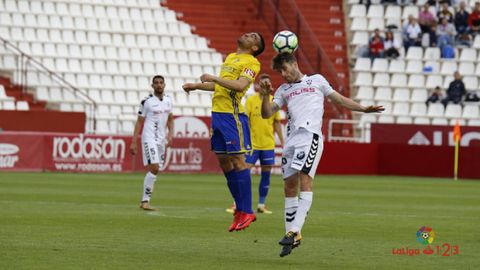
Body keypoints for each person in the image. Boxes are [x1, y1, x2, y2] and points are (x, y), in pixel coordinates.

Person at [259, 53, 384, 257]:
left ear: (294, 63)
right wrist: (265, 95)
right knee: (289, 186)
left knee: (305, 180)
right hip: (291, 141)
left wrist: (363, 109)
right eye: (279, 72)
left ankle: (293, 231)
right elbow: (266, 113)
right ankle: (290, 235)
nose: (283, 74)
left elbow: (340, 100)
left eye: (284, 69)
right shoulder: (283, 90)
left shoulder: (316, 80)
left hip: (310, 137)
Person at [182, 32, 265, 232]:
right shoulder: (230, 57)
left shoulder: (252, 62)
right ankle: (239, 209)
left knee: (238, 161)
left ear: (255, 48)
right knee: (223, 161)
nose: (248, 34)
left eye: (254, 36)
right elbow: (220, 87)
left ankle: (248, 211)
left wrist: (214, 77)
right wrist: (197, 86)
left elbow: (239, 86)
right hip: (217, 114)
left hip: (232, 115)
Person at [226, 73, 285, 215]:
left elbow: (277, 123)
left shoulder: (273, 101)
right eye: (263, 83)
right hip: (252, 145)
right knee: (244, 171)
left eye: (268, 83)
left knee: (266, 174)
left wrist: (283, 142)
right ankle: (237, 203)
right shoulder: (251, 100)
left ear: (270, 86)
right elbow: (244, 121)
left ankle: (261, 204)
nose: (265, 85)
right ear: (259, 85)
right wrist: (244, 140)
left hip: (268, 144)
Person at [130, 75, 174, 211]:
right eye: (156, 83)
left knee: (155, 170)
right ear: (152, 85)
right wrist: (134, 142)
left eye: (161, 83)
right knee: (154, 167)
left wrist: (170, 134)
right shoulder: (146, 102)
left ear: (164, 85)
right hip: (149, 138)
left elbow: (170, 119)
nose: (159, 85)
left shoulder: (168, 100)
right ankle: (144, 201)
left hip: (161, 140)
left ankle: (145, 201)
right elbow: (139, 121)